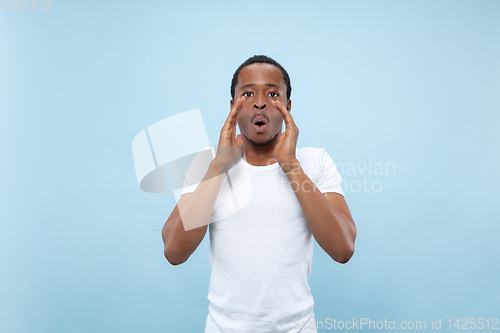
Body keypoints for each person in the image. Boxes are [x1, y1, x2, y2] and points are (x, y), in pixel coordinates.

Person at [161, 55, 357, 333]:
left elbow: (343, 249)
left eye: (273, 93)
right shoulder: (207, 164)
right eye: (248, 93)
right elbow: (174, 251)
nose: (260, 102)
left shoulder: (315, 162)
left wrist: (290, 165)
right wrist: (219, 167)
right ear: (233, 107)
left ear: (288, 107)